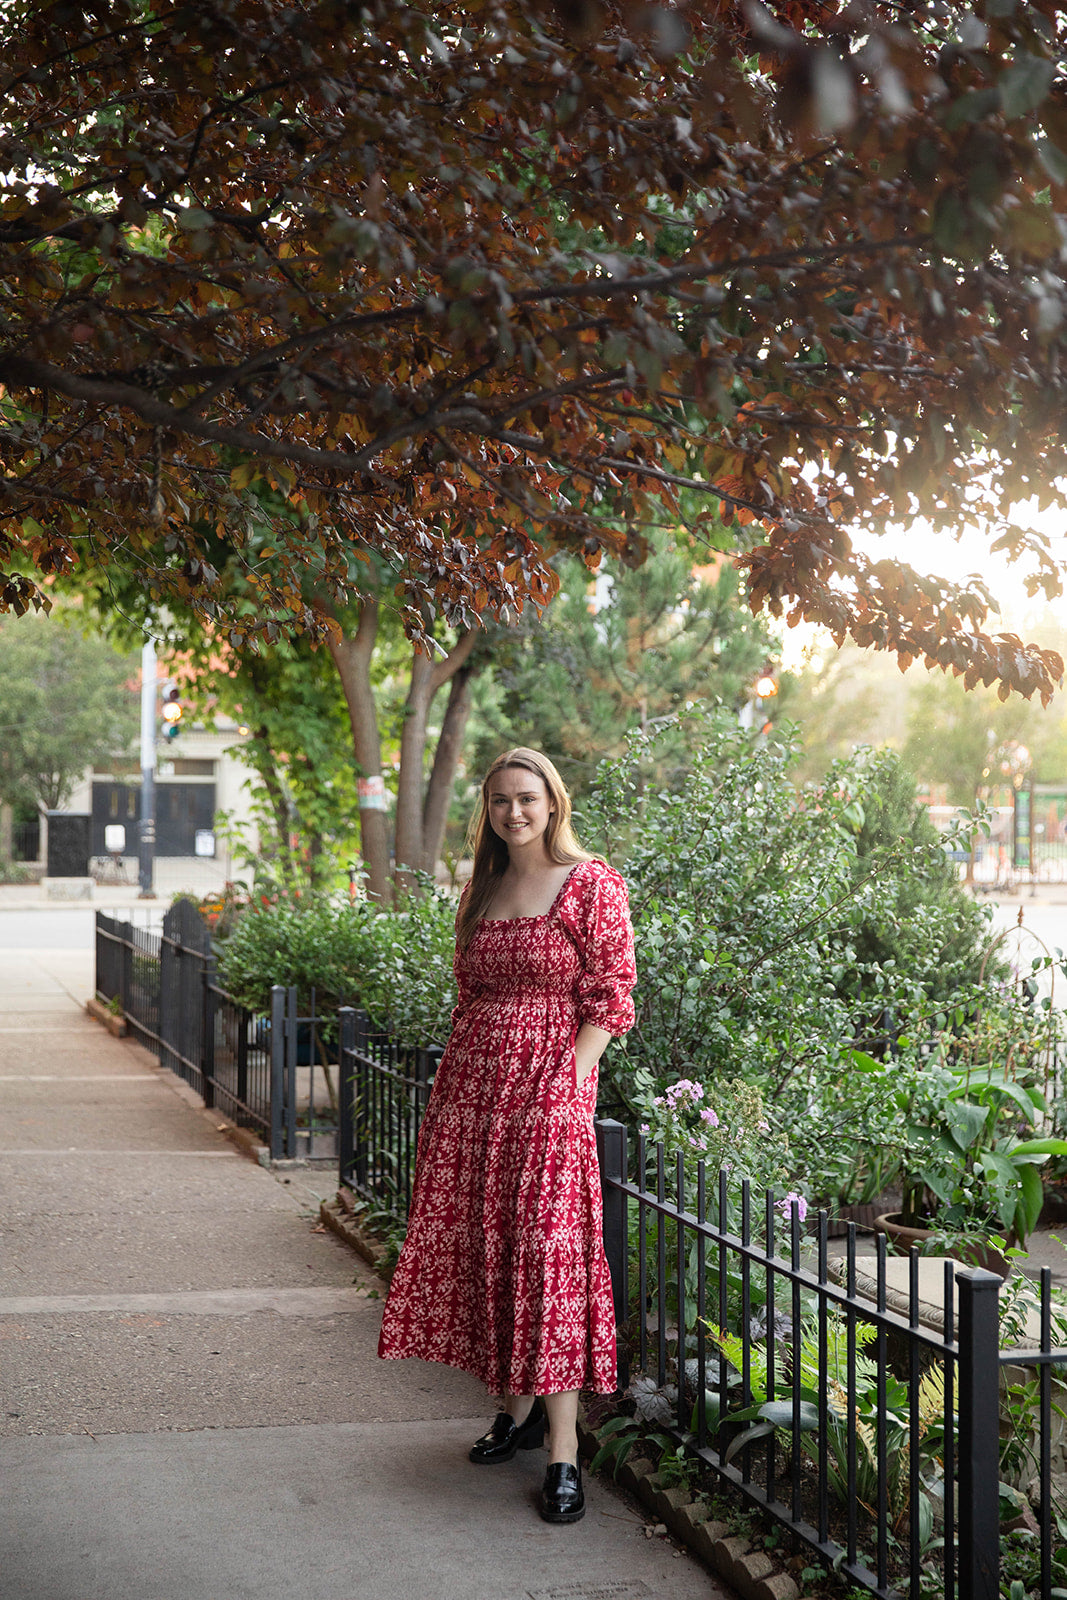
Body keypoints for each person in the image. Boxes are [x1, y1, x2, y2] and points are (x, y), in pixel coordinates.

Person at [378, 747, 637, 1525]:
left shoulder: (590, 883)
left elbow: (613, 996)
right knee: (490, 1248)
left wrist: (569, 1085)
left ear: (552, 803)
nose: (513, 812)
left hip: (551, 1091)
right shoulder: (483, 886)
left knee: (546, 1257)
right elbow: (468, 994)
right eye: (499, 801)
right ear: (486, 809)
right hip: (473, 1093)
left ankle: (563, 1451)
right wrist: (454, 1094)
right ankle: (515, 1411)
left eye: (526, 799)